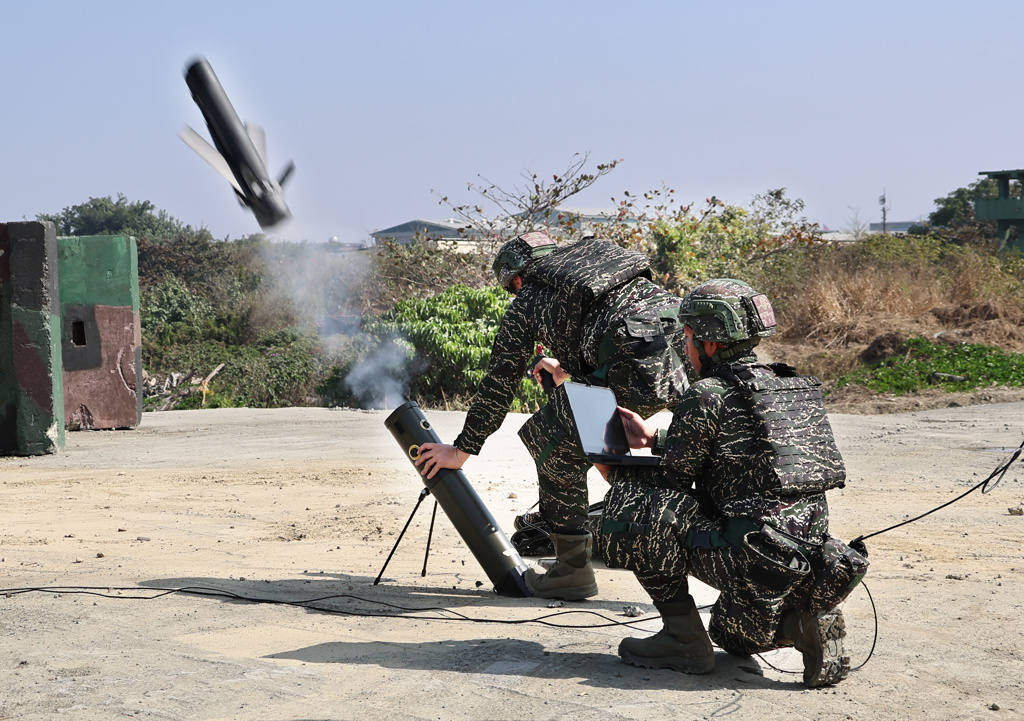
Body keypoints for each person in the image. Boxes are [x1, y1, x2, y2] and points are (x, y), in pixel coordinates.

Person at [598, 278, 866, 688]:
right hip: (804, 549)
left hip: (750, 552)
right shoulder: (788, 385)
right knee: (731, 637)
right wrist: (653, 437)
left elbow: (672, 480)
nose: (685, 350)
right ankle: (797, 618)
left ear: (709, 344)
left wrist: (607, 464)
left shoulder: (707, 393)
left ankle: (681, 638)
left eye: (688, 339)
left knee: (635, 505)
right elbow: (749, 448)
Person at [415, 230, 689, 599]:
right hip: (688, 349)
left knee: (548, 440)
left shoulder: (529, 297)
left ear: (515, 278)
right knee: (698, 436)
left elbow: (500, 382)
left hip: (632, 368)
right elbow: (621, 322)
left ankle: (573, 569)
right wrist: (571, 373)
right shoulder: (591, 266)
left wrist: (462, 449)